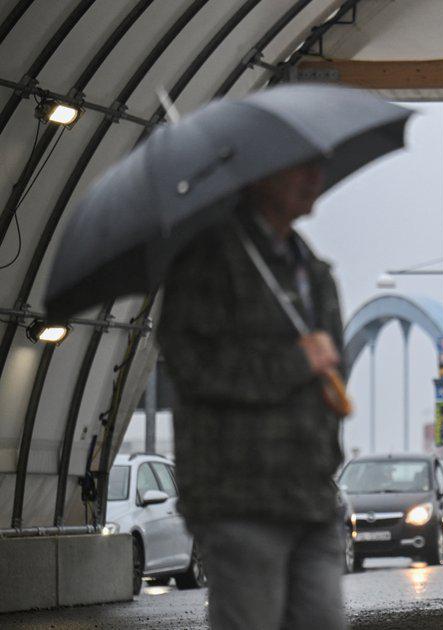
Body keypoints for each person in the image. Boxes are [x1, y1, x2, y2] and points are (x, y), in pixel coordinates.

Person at [158, 162, 346, 630]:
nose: (314, 178)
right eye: (300, 169)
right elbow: (193, 367)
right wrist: (296, 364)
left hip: (311, 496)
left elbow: (327, 367)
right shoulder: (209, 261)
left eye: (318, 168)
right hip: (240, 497)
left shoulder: (312, 271)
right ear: (259, 176)